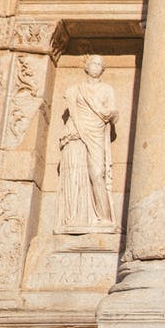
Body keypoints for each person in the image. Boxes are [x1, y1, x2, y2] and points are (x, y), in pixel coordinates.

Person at [56, 55, 119, 234]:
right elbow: (73, 112)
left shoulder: (107, 89)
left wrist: (110, 114)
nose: (96, 66)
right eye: (93, 63)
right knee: (76, 172)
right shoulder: (75, 89)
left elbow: (115, 113)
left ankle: (105, 218)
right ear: (87, 67)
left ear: (103, 69)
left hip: (96, 132)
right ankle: (75, 216)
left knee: (97, 173)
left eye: (99, 64)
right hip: (77, 131)